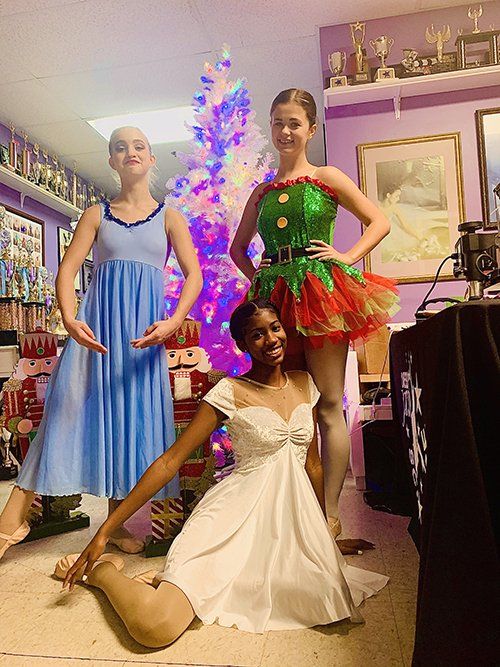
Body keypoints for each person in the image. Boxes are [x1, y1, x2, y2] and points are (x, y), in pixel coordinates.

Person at [58, 299, 388, 647]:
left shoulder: (305, 384)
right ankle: (104, 571)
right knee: (154, 628)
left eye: (275, 328)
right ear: (242, 344)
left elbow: (313, 466)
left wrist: (323, 538)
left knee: (325, 601)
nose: (271, 340)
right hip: (232, 523)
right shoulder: (229, 392)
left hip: (286, 531)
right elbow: (170, 462)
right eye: (257, 335)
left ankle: (168, 578)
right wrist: (105, 531)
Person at [0, 127, 202, 560]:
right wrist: (70, 319)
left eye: (139, 146)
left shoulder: (170, 217)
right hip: (94, 334)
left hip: (143, 338)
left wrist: (174, 321)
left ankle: (113, 525)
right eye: (120, 147)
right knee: (62, 413)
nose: (130, 152)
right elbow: (67, 271)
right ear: (112, 161)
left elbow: (194, 276)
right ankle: (11, 520)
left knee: (129, 422)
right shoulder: (96, 214)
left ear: (151, 158)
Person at [230, 89, 399, 538]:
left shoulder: (327, 176)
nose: (285, 131)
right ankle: (296, 504)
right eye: (278, 122)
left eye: (294, 123)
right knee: (290, 403)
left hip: (321, 293)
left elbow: (379, 222)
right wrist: (257, 276)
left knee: (326, 403)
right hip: (274, 299)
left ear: (311, 129)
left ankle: (329, 511)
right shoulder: (262, 192)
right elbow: (237, 248)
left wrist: (346, 257)